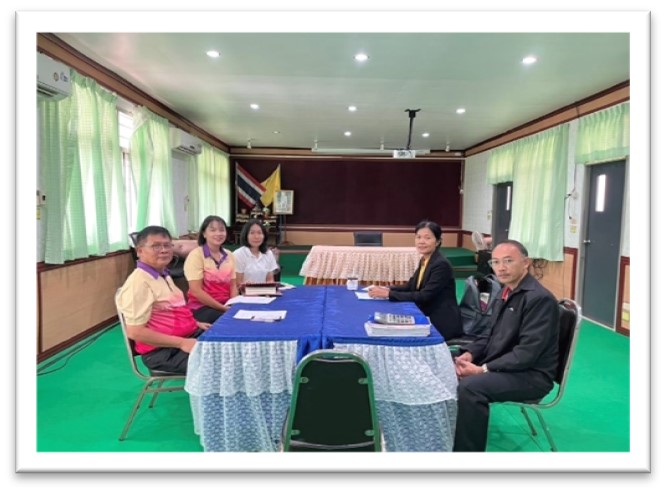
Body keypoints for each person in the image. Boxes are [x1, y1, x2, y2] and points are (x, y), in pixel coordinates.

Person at [452, 239, 560, 452]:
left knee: (470, 388)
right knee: (449, 360)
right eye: (495, 262)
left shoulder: (539, 299)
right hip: (507, 364)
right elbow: (489, 335)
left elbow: (527, 353)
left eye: (508, 261)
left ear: (526, 263)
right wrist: (470, 354)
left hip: (531, 376)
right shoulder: (506, 292)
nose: (501, 267)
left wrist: (483, 369)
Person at [116, 225, 211, 374]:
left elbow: (171, 309)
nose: (164, 250)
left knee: (232, 346)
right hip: (162, 352)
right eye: (156, 246)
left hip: (187, 337)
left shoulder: (162, 274)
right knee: (224, 362)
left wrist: (195, 323)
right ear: (139, 251)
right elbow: (135, 332)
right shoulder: (138, 283)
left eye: (167, 245)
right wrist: (182, 343)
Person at [368, 220, 463, 340]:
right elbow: (410, 286)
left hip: (440, 321)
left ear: (438, 241)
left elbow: (424, 296)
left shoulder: (440, 264)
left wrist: (389, 294)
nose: (421, 241)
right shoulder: (425, 259)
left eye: (427, 238)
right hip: (426, 312)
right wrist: (387, 288)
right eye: (418, 237)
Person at [184, 215, 238, 323]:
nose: (218, 233)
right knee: (229, 321)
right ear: (204, 234)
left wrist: (233, 305)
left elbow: (233, 286)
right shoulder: (196, 255)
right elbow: (196, 291)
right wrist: (223, 308)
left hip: (226, 304)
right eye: (213, 230)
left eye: (222, 230)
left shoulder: (229, 255)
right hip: (202, 306)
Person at [233, 219, 280, 285]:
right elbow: (237, 283)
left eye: (259, 233)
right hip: (245, 291)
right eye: (252, 233)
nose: (256, 237)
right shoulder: (238, 254)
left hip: (264, 291)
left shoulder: (268, 253)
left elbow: (270, 280)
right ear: (246, 235)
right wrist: (248, 286)